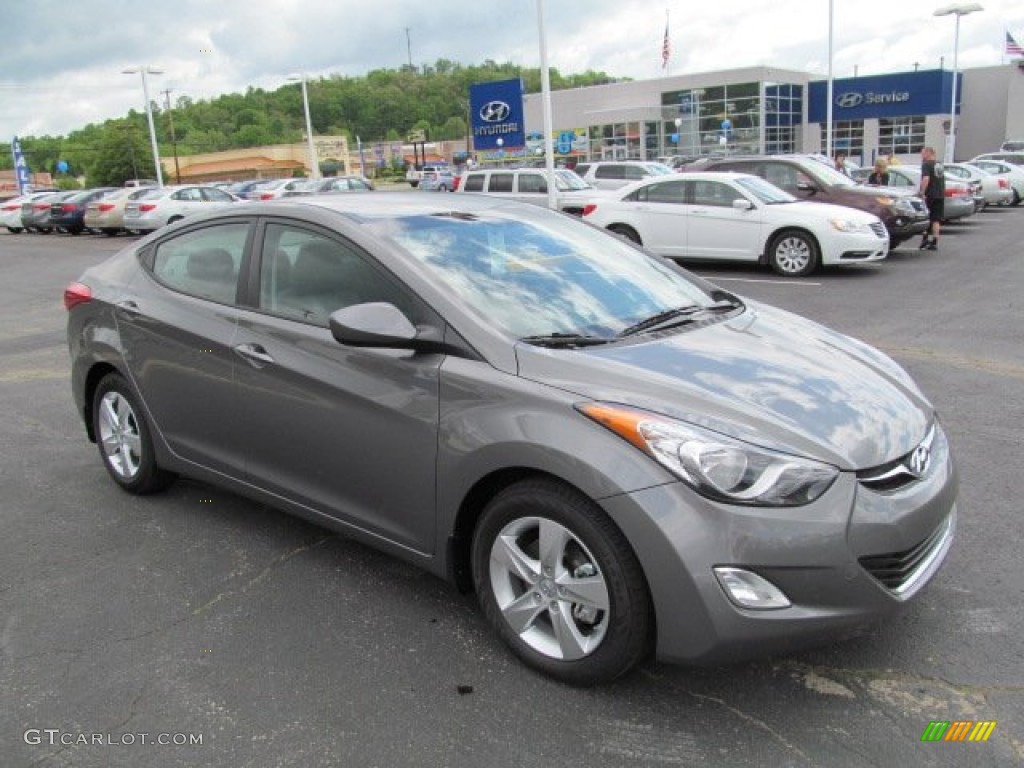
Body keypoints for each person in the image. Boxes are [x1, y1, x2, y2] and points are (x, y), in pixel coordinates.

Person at [919, 146, 945, 251]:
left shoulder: (926, 164)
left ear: (929, 153)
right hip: (940, 194)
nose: (922, 155)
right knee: (936, 219)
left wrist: (922, 192)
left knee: (926, 217)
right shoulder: (939, 164)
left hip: (930, 194)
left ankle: (925, 239)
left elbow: (926, 178)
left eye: (923, 153)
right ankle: (934, 241)